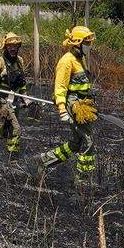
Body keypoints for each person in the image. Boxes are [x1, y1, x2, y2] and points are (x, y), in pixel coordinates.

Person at [41, 26, 98, 180]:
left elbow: (79, 83)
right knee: (87, 140)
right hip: (73, 106)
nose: (89, 45)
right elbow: (60, 87)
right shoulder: (67, 61)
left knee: (77, 142)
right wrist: (62, 110)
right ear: (77, 43)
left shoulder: (81, 59)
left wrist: (88, 91)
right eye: (87, 42)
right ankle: (84, 178)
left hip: (83, 103)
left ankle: (45, 160)